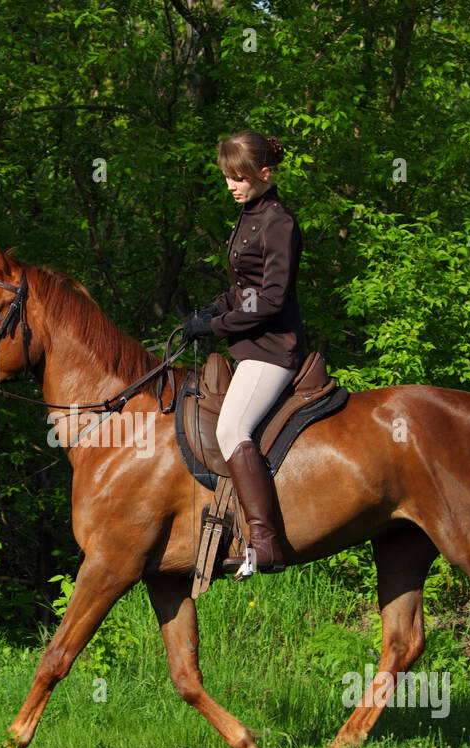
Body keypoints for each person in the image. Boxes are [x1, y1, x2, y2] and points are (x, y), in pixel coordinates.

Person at [183, 131, 306, 574]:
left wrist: (218, 326)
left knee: (232, 428)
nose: (231, 186)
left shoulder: (279, 221)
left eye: (238, 178)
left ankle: (266, 542)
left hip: (272, 347)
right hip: (249, 343)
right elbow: (242, 289)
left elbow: (270, 298)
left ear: (265, 174)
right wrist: (210, 310)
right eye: (227, 178)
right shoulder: (249, 213)